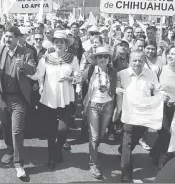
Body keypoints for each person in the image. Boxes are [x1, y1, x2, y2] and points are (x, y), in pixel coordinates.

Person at [29, 30, 81, 169]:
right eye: (56, 41)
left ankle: (57, 150)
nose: (59, 44)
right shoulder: (46, 58)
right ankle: (52, 157)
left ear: (66, 44)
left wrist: (71, 78)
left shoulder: (72, 58)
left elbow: (79, 76)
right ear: (53, 43)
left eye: (61, 42)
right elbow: (38, 75)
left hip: (66, 98)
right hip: (49, 99)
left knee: (63, 130)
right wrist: (26, 70)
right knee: (51, 131)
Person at [0, 26, 36, 178]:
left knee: (16, 130)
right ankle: (10, 150)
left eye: (11, 37)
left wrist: (24, 66)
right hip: (1, 97)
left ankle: (19, 164)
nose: (8, 39)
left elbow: (33, 70)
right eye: (6, 36)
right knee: (5, 126)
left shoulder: (27, 52)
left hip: (18, 98)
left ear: (18, 38)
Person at [115, 50, 167, 183]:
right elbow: (114, 89)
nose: (137, 63)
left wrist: (162, 94)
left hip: (144, 115)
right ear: (129, 61)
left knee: (133, 139)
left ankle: (123, 149)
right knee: (128, 139)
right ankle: (126, 174)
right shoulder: (122, 74)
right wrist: (117, 90)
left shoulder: (150, 74)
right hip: (129, 113)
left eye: (140, 60)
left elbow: (157, 88)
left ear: (144, 61)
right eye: (134, 60)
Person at [150, 46, 175, 169]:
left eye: (174, 54)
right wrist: (158, 93)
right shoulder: (160, 69)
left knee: (172, 135)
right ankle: (161, 158)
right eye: (169, 53)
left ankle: (155, 154)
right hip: (161, 107)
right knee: (166, 134)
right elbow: (152, 88)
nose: (170, 56)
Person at [81, 46, 117, 179]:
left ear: (109, 59)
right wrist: (72, 79)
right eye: (100, 56)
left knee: (101, 135)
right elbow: (78, 78)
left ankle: (94, 151)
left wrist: (117, 106)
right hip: (93, 106)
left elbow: (117, 89)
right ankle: (93, 163)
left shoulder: (113, 72)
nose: (102, 59)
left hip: (108, 106)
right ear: (96, 59)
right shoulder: (90, 70)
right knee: (94, 136)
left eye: (105, 56)